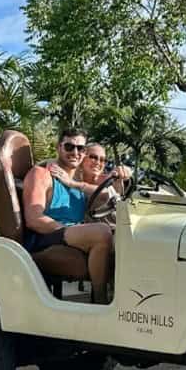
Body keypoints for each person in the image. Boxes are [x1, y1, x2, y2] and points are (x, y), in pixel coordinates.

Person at [22, 128, 123, 304]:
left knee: (123, 238)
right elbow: (33, 219)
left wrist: (121, 175)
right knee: (102, 232)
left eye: (81, 148)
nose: (75, 152)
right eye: (69, 147)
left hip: (70, 235)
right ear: (58, 147)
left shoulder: (77, 180)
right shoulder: (41, 174)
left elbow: (107, 193)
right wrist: (70, 231)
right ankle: (101, 301)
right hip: (45, 238)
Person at [77, 142, 121, 228]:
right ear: (82, 158)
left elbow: (117, 194)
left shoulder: (110, 181)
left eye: (102, 160)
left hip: (115, 230)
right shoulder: (72, 179)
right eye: (93, 157)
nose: (98, 162)